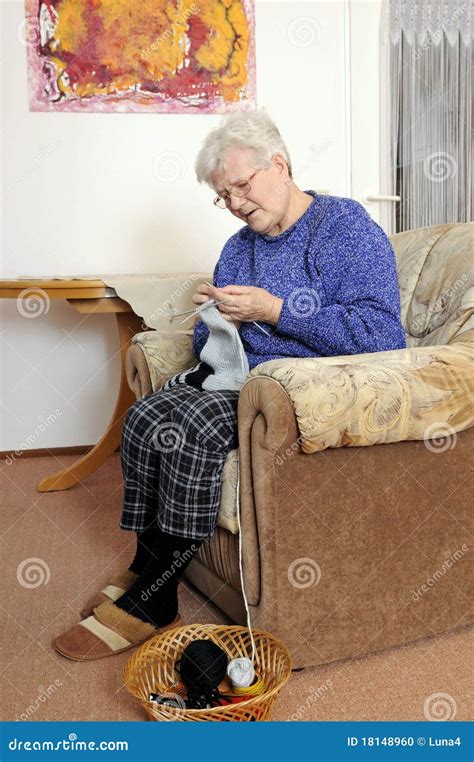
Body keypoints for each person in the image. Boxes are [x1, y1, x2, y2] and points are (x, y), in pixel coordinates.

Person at [54, 111, 406, 660]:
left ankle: (155, 598)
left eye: (242, 186)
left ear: (281, 165)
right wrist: (212, 317)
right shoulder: (239, 246)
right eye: (224, 195)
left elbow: (381, 333)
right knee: (148, 415)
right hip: (236, 381)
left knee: (191, 422)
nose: (237, 203)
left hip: (293, 389)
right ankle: (147, 565)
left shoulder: (344, 227)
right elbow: (210, 347)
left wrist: (274, 309)